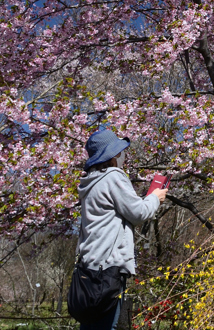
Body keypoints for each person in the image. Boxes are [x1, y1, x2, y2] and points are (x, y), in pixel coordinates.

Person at [76, 129, 168, 330]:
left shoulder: (89, 182)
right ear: (113, 155)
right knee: (107, 325)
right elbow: (138, 213)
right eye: (119, 152)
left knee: (92, 325)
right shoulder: (113, 176)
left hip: (89, 265)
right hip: (108, 266)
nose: (122, 156)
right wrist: (155, 198)